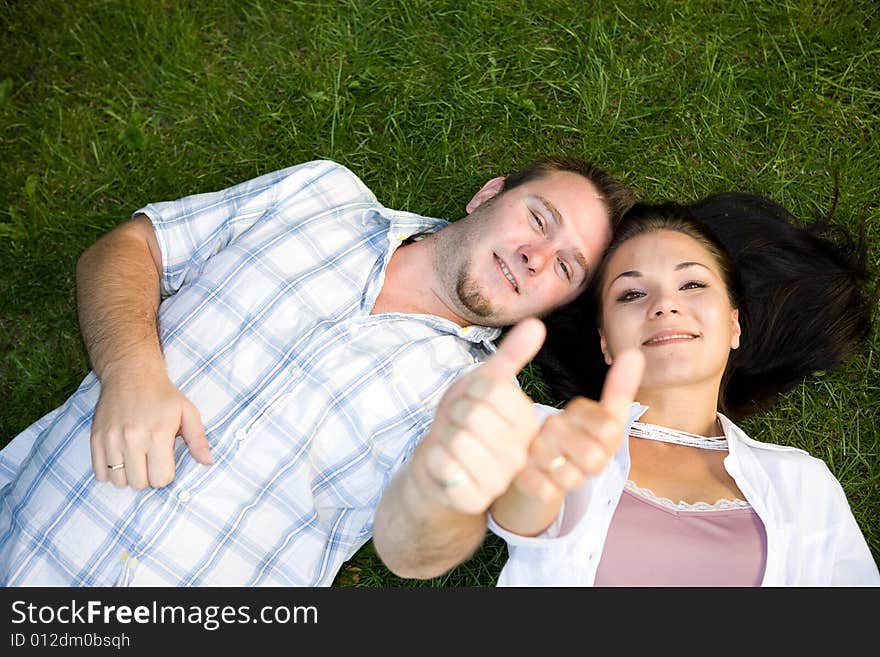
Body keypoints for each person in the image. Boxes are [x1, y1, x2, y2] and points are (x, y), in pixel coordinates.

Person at [0, 156, 635, 586]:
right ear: (488, 194)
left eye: (566, 268)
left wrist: (476, 487)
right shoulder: (320, 196)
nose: (535, 256)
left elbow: (413, 547)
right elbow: (130, 248)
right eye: (538, 219)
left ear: (558, 306)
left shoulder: (474, 401)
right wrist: (131, 370)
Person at [373, 192, 879, 585]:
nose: (664, 304)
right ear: (606, 343)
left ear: (734, 325)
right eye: (632, 293)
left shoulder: (803, 485)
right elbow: (413, 551)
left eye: (693, 284)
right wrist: (443, 487)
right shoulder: (550, 437)